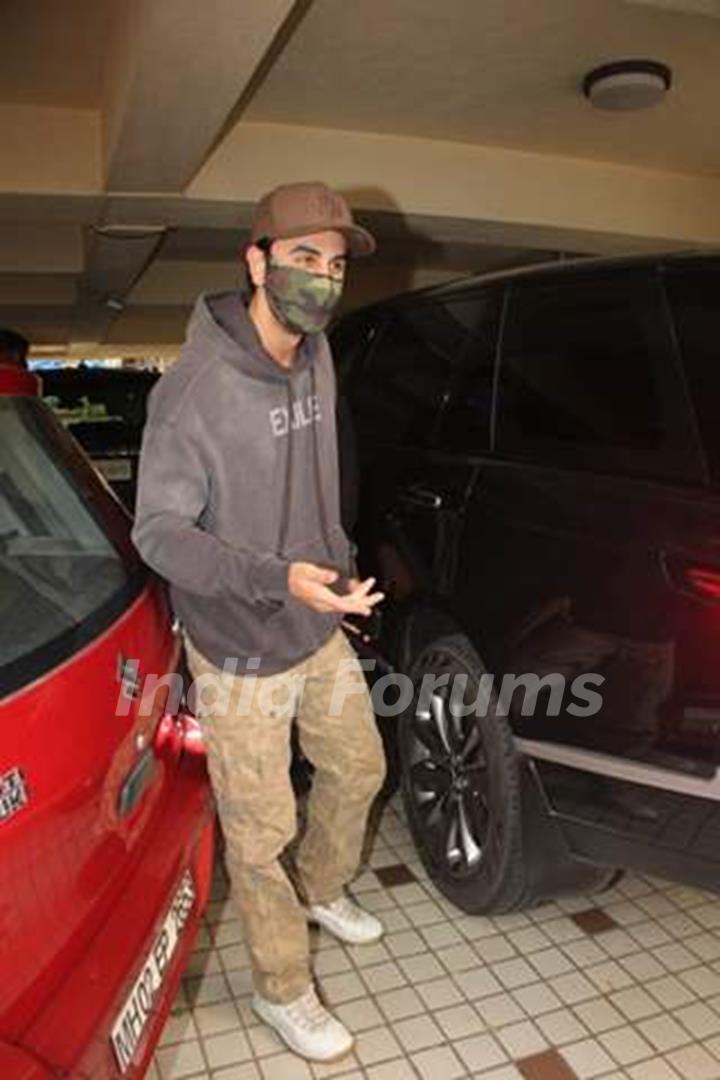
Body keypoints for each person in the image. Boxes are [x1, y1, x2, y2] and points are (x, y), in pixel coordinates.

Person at [132, 182, 387, 1063]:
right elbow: (157, 533)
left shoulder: (314, 354)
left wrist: (335, 576)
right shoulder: (193, 391)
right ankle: (283, 986)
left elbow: (313, 485)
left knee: (360, 768)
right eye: (303, 260)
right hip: (240, 645)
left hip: (315, 623)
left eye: (335, 264)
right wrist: (279, 579)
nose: (321, 279)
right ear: (256, 261)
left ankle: (320, 889)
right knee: (260, 828)